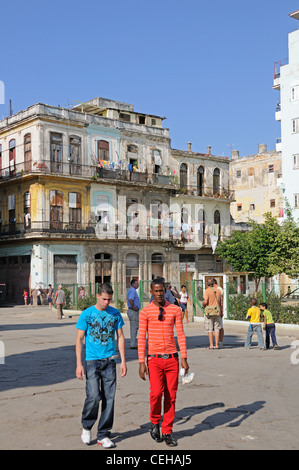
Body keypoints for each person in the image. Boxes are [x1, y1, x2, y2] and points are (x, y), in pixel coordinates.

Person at [138, 279, 189, 447]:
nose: (159, 293)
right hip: (154, 359)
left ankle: (167, 431)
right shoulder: (145, 312)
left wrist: (184, 358)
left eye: (161, 291)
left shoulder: (174, 309)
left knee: (171, 397)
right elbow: (141, 338)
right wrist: (141, 362)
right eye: (156, 291)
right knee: (156, 393)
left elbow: (180, 334)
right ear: (151, 292)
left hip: (172, 359)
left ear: (165, 292)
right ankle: (154, 422)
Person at [76, 283, 127, 448]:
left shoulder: (115, 314)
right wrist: (79, 364)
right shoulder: (87, 314)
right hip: (91, 361)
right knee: (93, 396)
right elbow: (79, 339)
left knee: (109, 399)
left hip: (110, 361)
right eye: (104, 299)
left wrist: (123, 361)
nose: (107, 302)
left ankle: (103, 435)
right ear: (97, 296)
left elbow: (120, 337)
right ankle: (86, 426)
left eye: (109, 299)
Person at [202, 278, 223, 349]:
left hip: (209, 312)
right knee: (217, 328)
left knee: (210, 329)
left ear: (207, 284)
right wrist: (221, 311)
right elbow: (221, 302)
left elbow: (206, 301)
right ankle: (217, 345)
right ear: (213, 283)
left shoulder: (207, 291)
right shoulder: (218, 291)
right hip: (217, 311)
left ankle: (211, 345)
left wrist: (203, 305)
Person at [126, 279, 140, 349]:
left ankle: (133, 343)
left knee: (134, 327)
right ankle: (133, 344)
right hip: (133, 311)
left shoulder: (132, 290)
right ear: (133, 284)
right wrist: (134, 307)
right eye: (137, 283)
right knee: (134, 328)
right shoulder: (133, 291)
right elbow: (130, 299)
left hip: (132, 310)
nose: (138, 285)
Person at [213, 279, 224, 346]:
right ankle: (217, 341)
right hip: (213, 310)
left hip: (218, 310)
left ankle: (220, 341)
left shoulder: (219, 289)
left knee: (220, 326)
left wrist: (221, 310)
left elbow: (221, 300)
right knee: (216, 326)